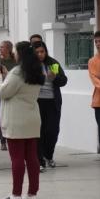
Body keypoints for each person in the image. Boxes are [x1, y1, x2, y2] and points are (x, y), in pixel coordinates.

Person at [0, 41, 44, 199]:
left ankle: (15, 195)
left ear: (20, 54)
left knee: (17, 158)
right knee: (32, 158)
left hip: (16, 120)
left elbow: (3, 91)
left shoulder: (18, 72)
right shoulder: (36, 71)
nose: (13, 54)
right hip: (32, 118)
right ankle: (32, 194)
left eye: (15, 52)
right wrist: (8, 76)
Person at [33, 41, 67, 170]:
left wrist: (54, 78)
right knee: (39, 132)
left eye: (42, 51)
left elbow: (63, 80)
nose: (40, 54)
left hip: (52, 102)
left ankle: (48, 156)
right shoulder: (32, 66)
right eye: (37, 52)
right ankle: (39, 159)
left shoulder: (52, 63)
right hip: (37, 102)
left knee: (52, 131)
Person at [88, 30, 100, 157]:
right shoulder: (92, 61)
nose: (98, 44)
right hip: (99, 101)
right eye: (96, 42)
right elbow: (95, 79)